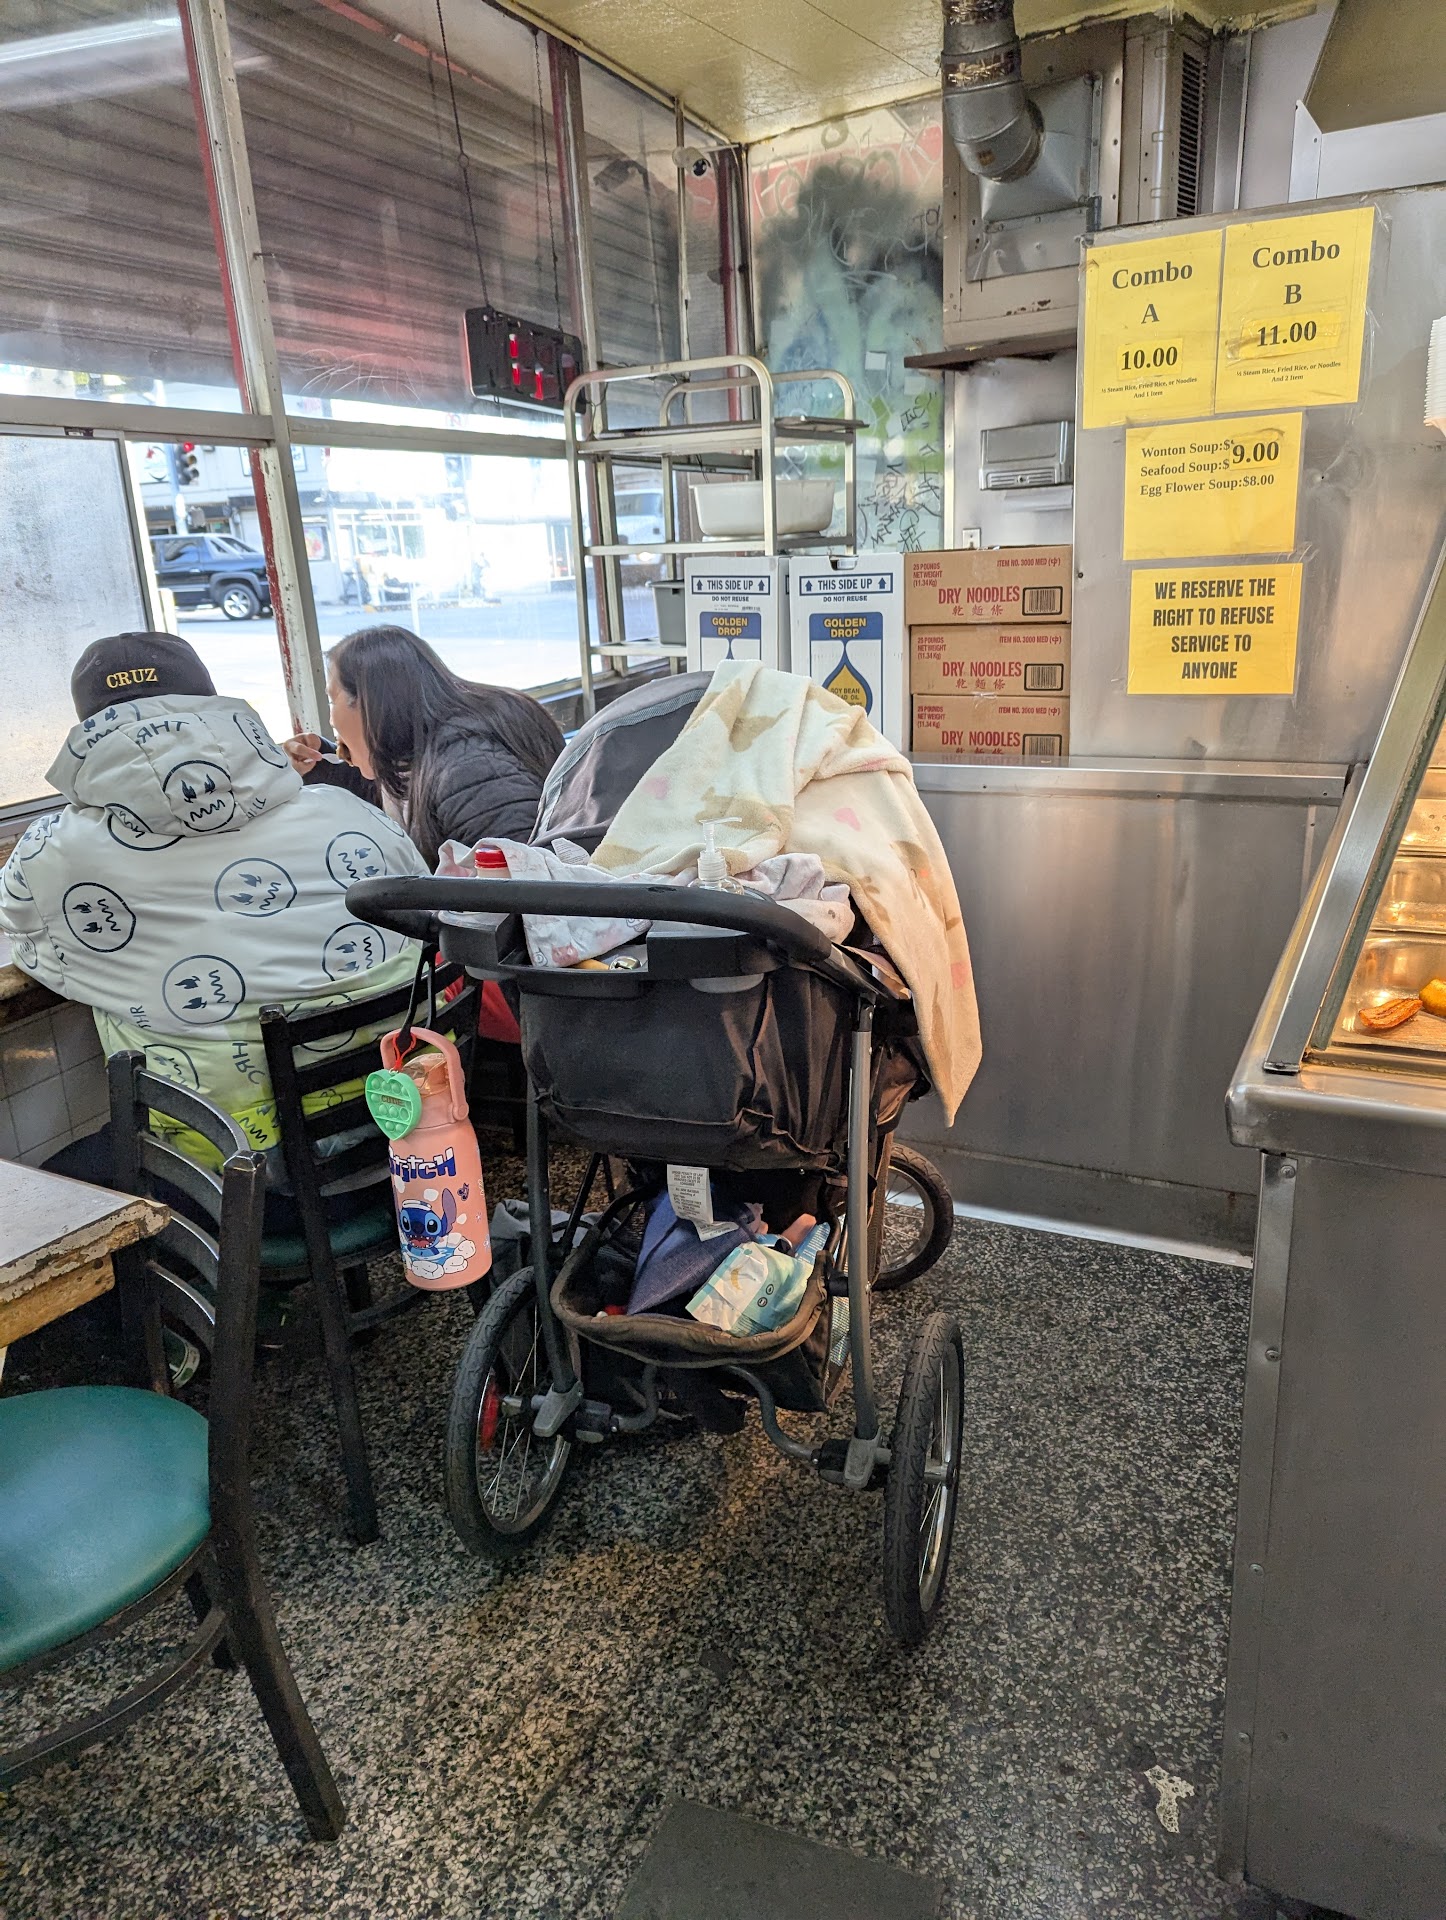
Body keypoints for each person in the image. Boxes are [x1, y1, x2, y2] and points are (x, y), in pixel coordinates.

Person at [0, 631, 427, 1166]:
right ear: (215, 709)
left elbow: (31, 942)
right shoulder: (346, 811)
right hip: (413, 1118)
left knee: (47, 1180)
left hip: (233, 1168)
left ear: (88, 733)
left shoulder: (54, 854)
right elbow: (424, 911)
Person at [284, 625, 564, 865]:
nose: (331, 720)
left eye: (332, 699)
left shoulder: (469, 767)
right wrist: (322, 767)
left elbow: (522, 879)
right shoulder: (420, 751)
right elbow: (402, 797)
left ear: (370, 703)